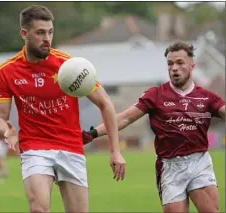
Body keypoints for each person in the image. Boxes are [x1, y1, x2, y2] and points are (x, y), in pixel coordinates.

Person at [0, 5, 126, 213]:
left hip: (70, 147)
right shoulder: (6, 71)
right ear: (24, 33)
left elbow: (105, 103)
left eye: (50, 32)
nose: (47, 38)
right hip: (34, 148)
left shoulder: (70, 66)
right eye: (40, 32)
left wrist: (115, 151)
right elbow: (0, 119)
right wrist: (7, 131)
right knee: (38, 209)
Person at [83, 41, 225, 213]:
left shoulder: (207, 97)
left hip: (199, 162)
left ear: (192, 65)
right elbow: (125, 118)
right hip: (170, 166)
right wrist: (93, 133)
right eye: (170, 63)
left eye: (180, 63)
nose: (174, 68)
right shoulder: (156, 95)